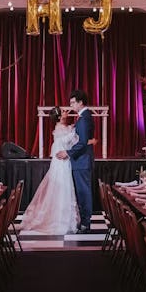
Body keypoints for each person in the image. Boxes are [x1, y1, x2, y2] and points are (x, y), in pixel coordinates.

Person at [20, 107, 80, 235]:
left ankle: (65, 218)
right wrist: (74, 131)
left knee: (64, 188)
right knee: (62, 188)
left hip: (64, 161)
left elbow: (71, 142)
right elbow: (65, 141)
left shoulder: (64, 128)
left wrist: (72, 130)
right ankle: (59, 219)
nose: (66, 112)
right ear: (59, 117)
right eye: (63, 111)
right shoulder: (59, 129)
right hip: (60, 163)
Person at [57, 89, 94, 233]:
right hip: (82, 160)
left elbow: (83, 142)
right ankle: (84, 222)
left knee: (83, 192)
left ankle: (85, 223)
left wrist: (67, 152)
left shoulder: (84, 118)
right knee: (82, 192)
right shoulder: (84, 117)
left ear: (81, 102)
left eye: (73, 102)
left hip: (82, 161)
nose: (71, 104)